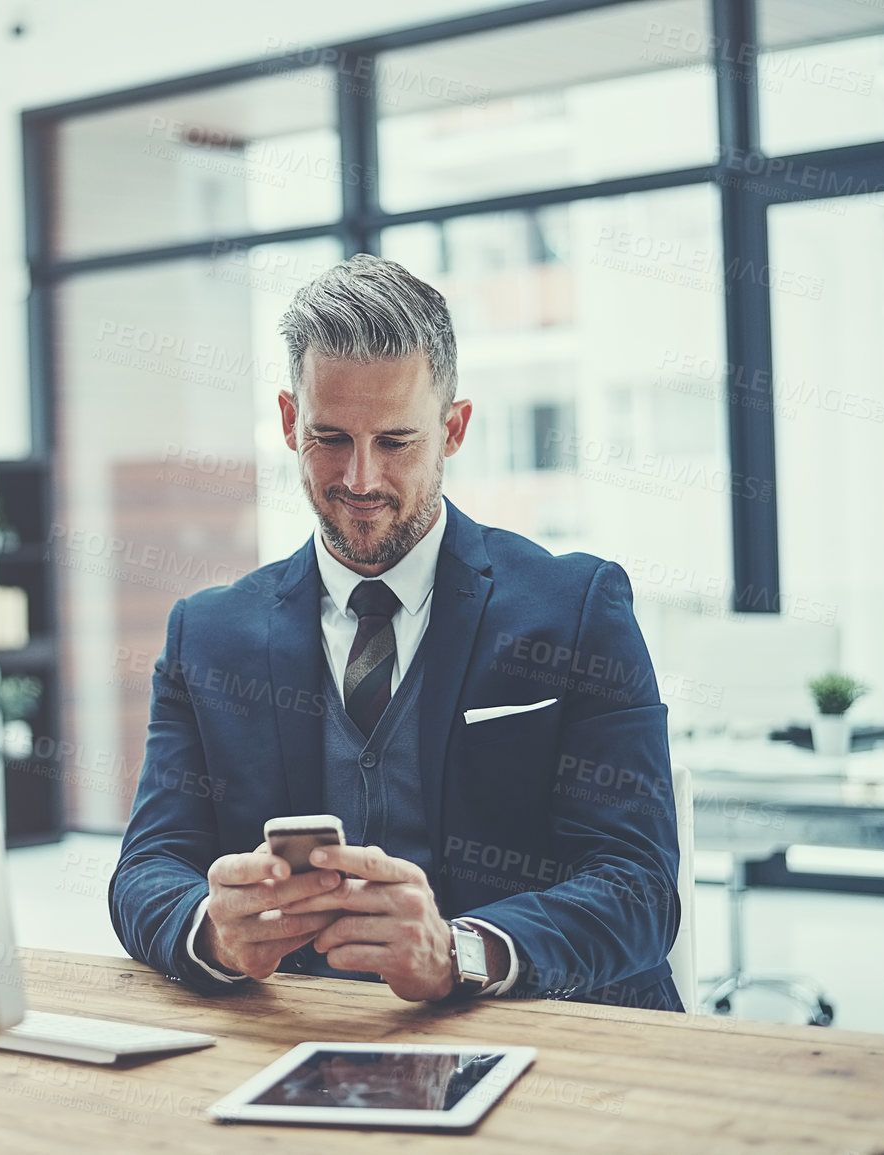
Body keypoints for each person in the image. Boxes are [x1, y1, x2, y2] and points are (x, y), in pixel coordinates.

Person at [107, 254, 682, 1010]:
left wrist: (459, 951)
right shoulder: (206, 635)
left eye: (397, 441)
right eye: (331, 437)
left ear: (454, 428)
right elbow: (148, 866)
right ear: (287, 422)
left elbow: (637, 885)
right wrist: (210, 930)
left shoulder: (578, 608)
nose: (360, 479)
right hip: (304, 1041)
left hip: (546, 1034)